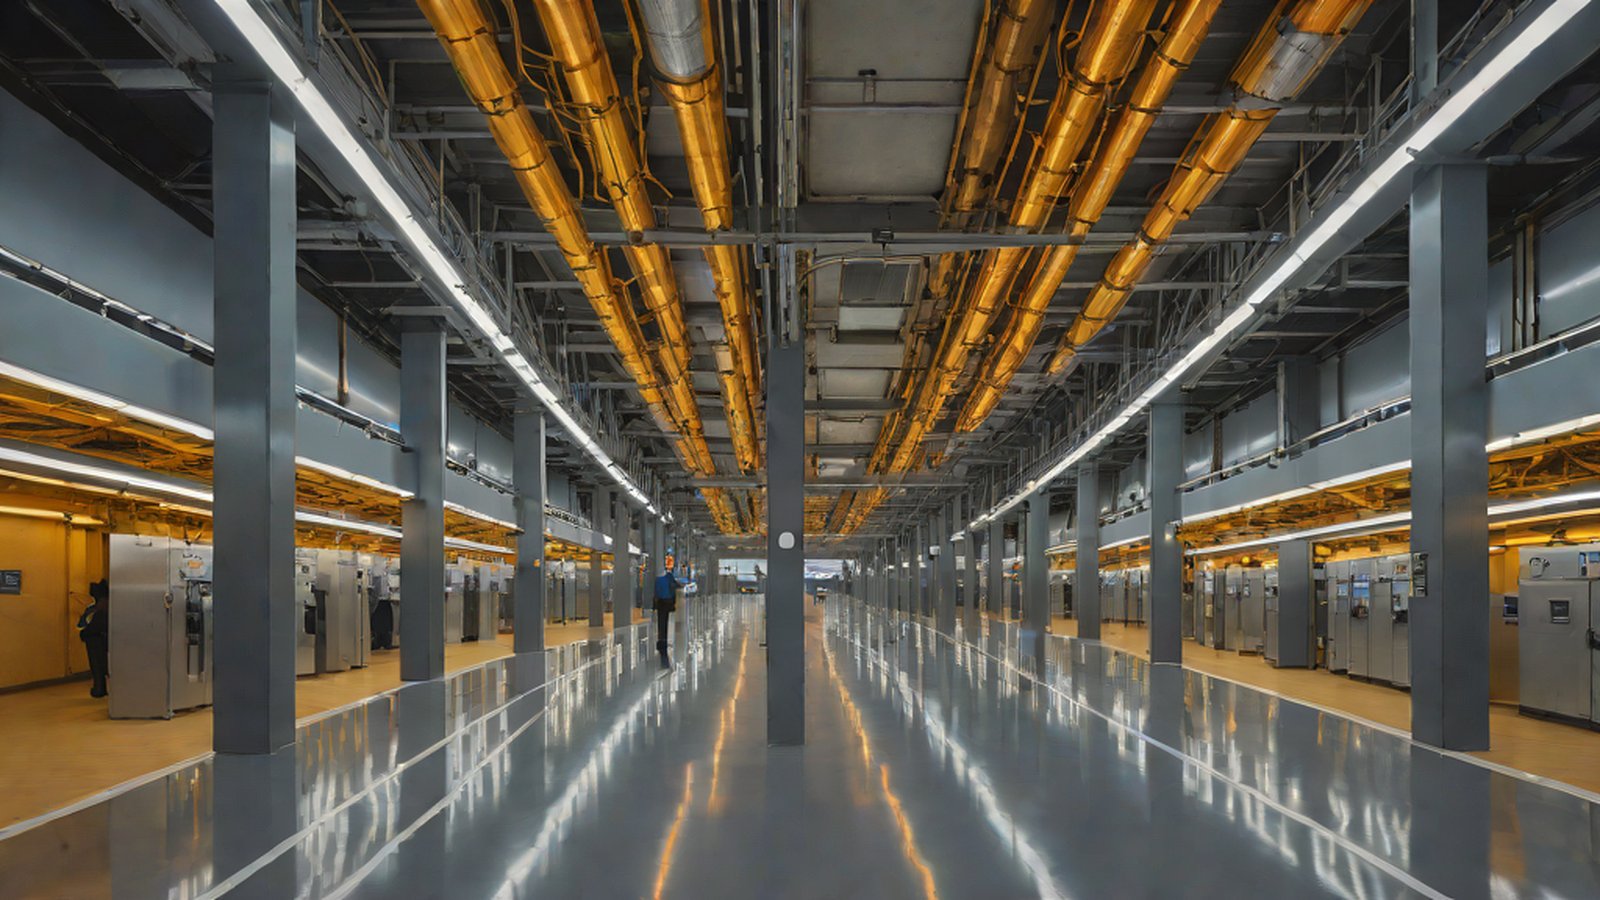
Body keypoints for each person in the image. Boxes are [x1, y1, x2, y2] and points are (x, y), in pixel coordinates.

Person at [79, 579, 110, 698]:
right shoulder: (110, 604)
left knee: (97, 665)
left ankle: (99, 688)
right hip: (106, 638)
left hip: (94, 639)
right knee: (106, 665)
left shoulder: (96, 607)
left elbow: (87, 624)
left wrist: (84, 633)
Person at [653, 564, 680, 664]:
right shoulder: (669, 576)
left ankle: (661, 639)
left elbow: (656, 592)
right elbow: (675, 586)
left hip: (661, 603)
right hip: (668, 602)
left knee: (661, 621)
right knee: (667, 621)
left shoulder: (657, 579)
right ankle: (665, 639)